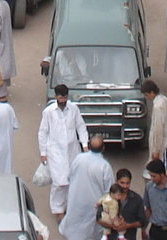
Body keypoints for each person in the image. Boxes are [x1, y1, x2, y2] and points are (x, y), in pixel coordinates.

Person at [38, 84, 90, 219]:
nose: (63, 100)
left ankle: (69, 206)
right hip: (55, 151)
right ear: (55, 97)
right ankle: (57, 209)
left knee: (71, 180)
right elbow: (43, 132)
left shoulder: (73, 109)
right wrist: (43, 152)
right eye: (61, 98)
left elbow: (80, 126)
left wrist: (84, 144)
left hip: (72, 150)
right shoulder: (49, 112)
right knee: (59, 181)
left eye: (65, 97)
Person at [63, 134, 114, 240]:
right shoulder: (105, 167)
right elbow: (109, 192)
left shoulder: (78, 158)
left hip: (75, 204)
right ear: (103, 148)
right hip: (93, 208)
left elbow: (69, 177)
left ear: (89, 146)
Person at [142, 80, 167, 162]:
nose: (146, 98)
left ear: (152, 92)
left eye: (147, 95)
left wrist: (156, 150)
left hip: (162, 144)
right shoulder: (164, 99)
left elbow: (158, 130)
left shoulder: (157, 107)